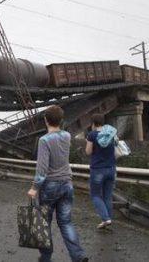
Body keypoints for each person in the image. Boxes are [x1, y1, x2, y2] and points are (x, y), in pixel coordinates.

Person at [27, 105, 88, 262]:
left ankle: (46, 258)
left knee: (44, 224)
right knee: (66, 222)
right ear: (61, 120)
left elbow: (42, 169)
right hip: (67, 184)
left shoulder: (44, 140)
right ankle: (78, 256)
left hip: (50, 187)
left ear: (46, 120)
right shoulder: (67, 136)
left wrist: (34, 188)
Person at [85, 114, 117, 229]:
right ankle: (107, 220)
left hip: (98, 169)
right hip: (111, 168)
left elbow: (88, 152)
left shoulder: (92, 135)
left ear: (93, 124)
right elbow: (114, 152)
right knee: (107, 196)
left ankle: (105, 218)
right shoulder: (110, 134)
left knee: (95, 195)